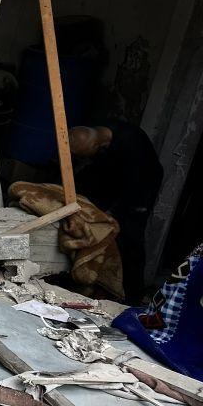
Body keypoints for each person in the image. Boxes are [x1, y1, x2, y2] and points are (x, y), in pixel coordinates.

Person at [68, 122, 163, 303]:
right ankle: (98, 282)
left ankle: (133, 295)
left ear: (97, 146)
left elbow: (134, 187)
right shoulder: (102, 135)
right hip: (119, 181)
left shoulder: (133, 147)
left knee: (130, 237)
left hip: (142, 188)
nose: (84, 160)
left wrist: (112, 212)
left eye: (85, 156)